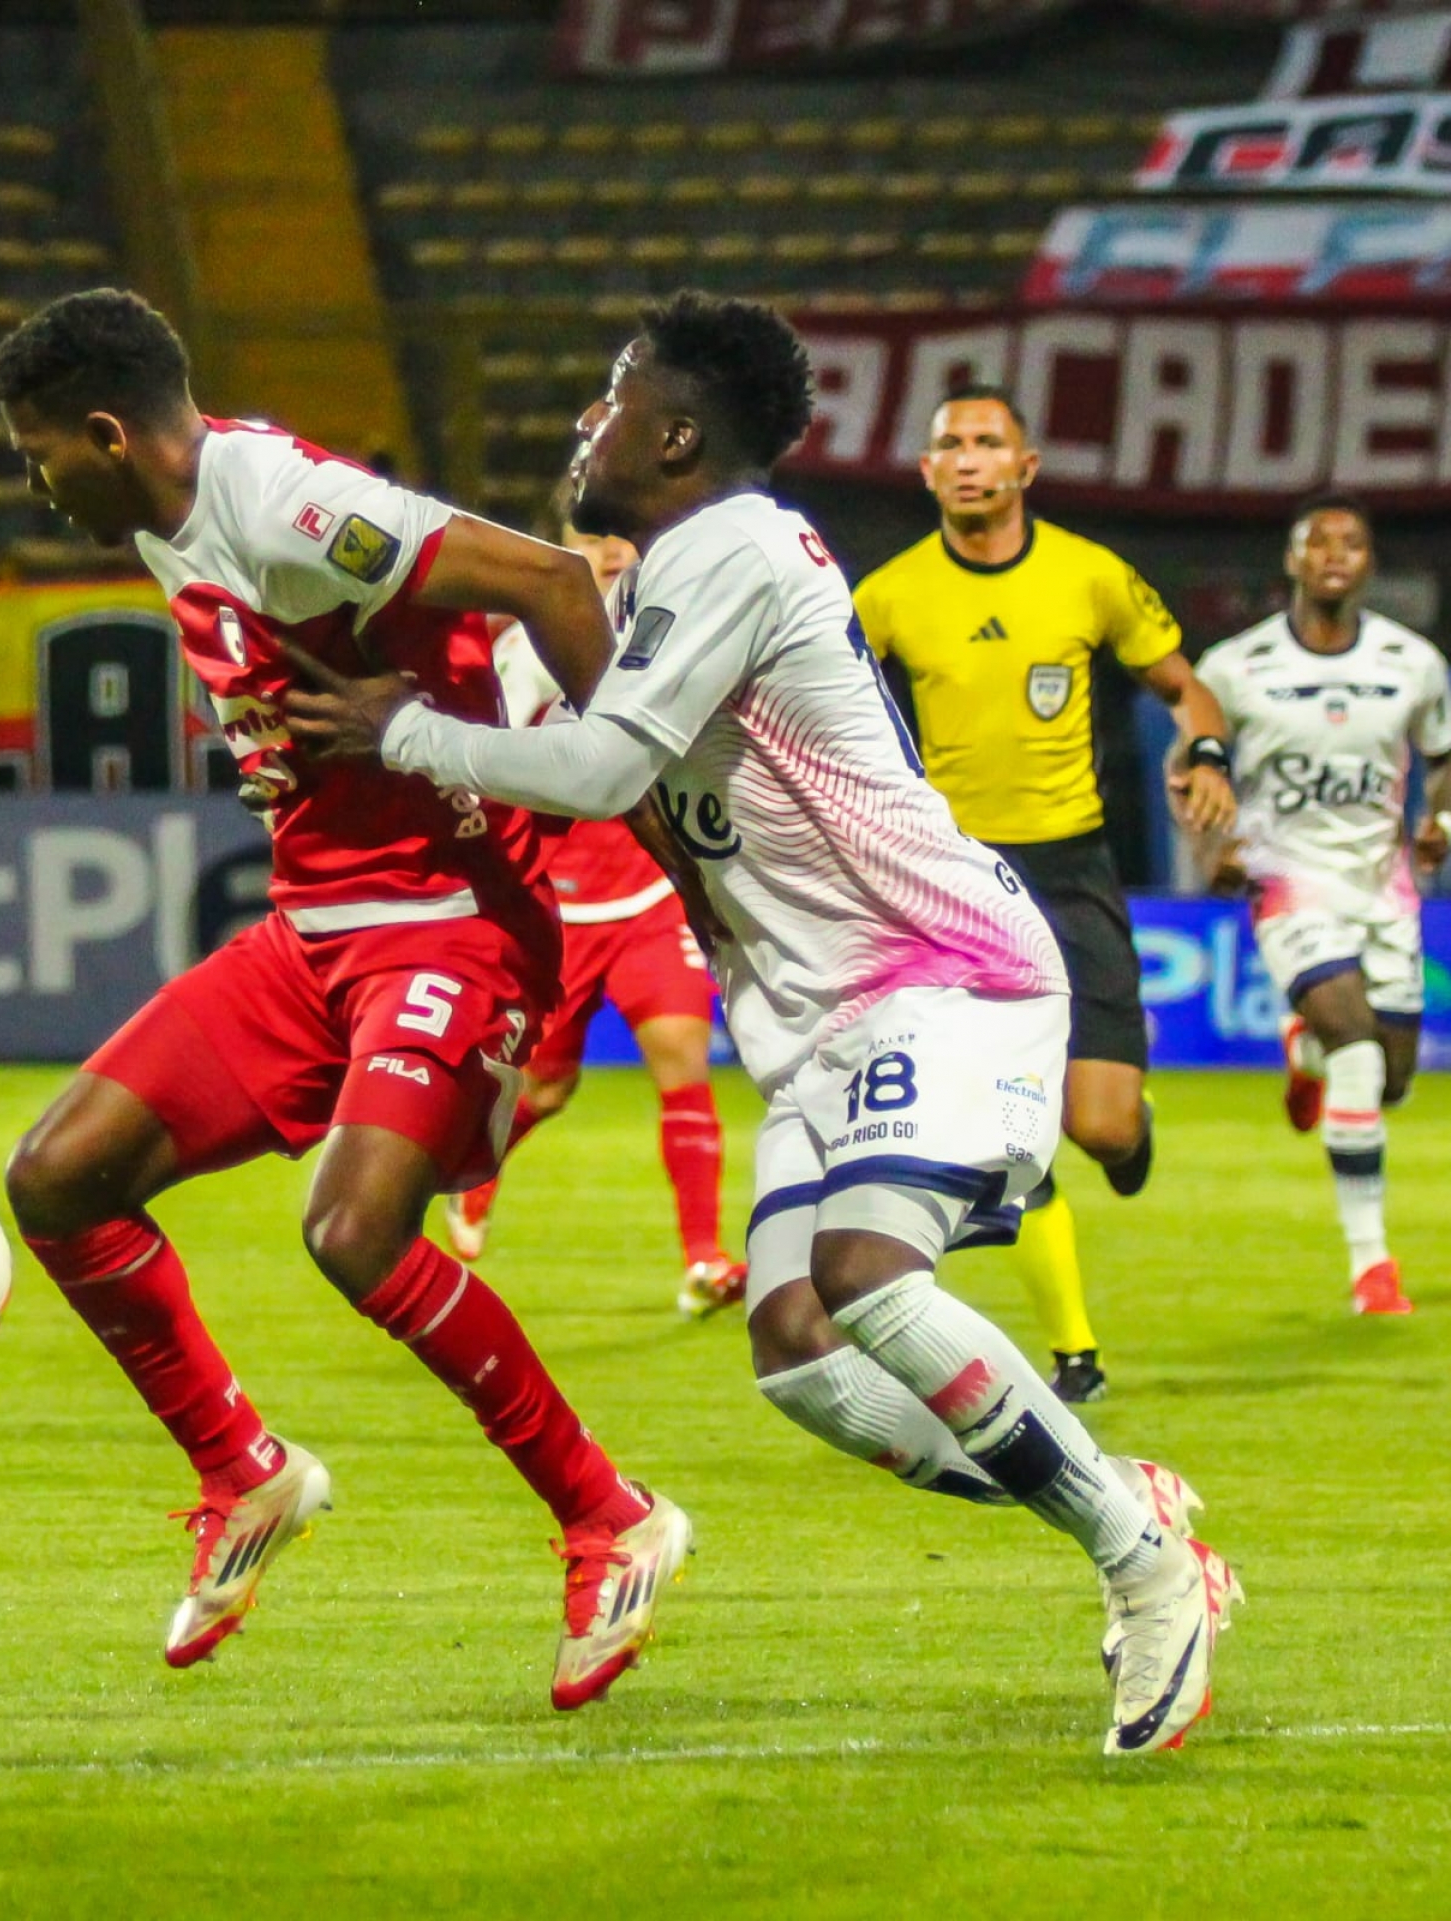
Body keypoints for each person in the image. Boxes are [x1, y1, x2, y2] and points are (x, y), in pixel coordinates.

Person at [286, 290, 1240, 1756]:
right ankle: (1116, 1494)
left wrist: (400, 733)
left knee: (864, 1276)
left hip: (941, 968)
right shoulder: (656, 587)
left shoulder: (738, 544)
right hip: (814, 1022)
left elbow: (602, 771)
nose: (588, 422)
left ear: (677, 435)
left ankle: (1146, 1568)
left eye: (615, 396)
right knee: (799, 1351)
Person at [0, 289, 688, 1712]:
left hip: (454, 919)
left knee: (356, 1230)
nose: (33, 481)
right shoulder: (165, 516)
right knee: (57, 1179)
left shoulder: (289, 506)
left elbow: (553, 583)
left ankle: (609, 1512)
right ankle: (242, 1469)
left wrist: (658, 805)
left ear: (108, 434)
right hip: (317, 931)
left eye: (35, 451)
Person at [852, 387, 1237, 1405]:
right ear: (927, 471)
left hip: (1070, 874)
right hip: (958, 887)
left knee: (1100, 1128)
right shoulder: (886, 596)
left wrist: (1205, 752)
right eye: (950, 444)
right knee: (1008, 1127)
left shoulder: (1088, 574)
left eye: (989, 442)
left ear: (1025, 467)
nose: (968, 458)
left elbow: (1185, 686)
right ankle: (1076, 1354)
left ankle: (1130, 1128)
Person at [446, 485, 745, 1316]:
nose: (611, 549)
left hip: (649, 890)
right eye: (591, 535)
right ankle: (476, 1174)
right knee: (546, 1087)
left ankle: (704, 1258)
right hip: (560, 898)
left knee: (682, 1057)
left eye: (621, 534)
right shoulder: (527, 645)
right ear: (560, 547)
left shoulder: (671, 628)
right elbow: (495, 760)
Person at [1195, 496, 1451, 1317]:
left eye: (1352, 543)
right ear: (1293, 560)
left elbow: (1444, 756)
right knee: (1359, 1050)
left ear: (1369, 563)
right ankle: (1372, 1267)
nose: (1335, 554)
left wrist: (1441, 822)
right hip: (1287, 880)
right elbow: (1192, 763)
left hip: (1383, 887)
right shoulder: (1236, 665)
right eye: (1318, 542)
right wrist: (1212, 846)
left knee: (1393, 1079)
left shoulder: (1413, 662)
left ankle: (1302, 1049)